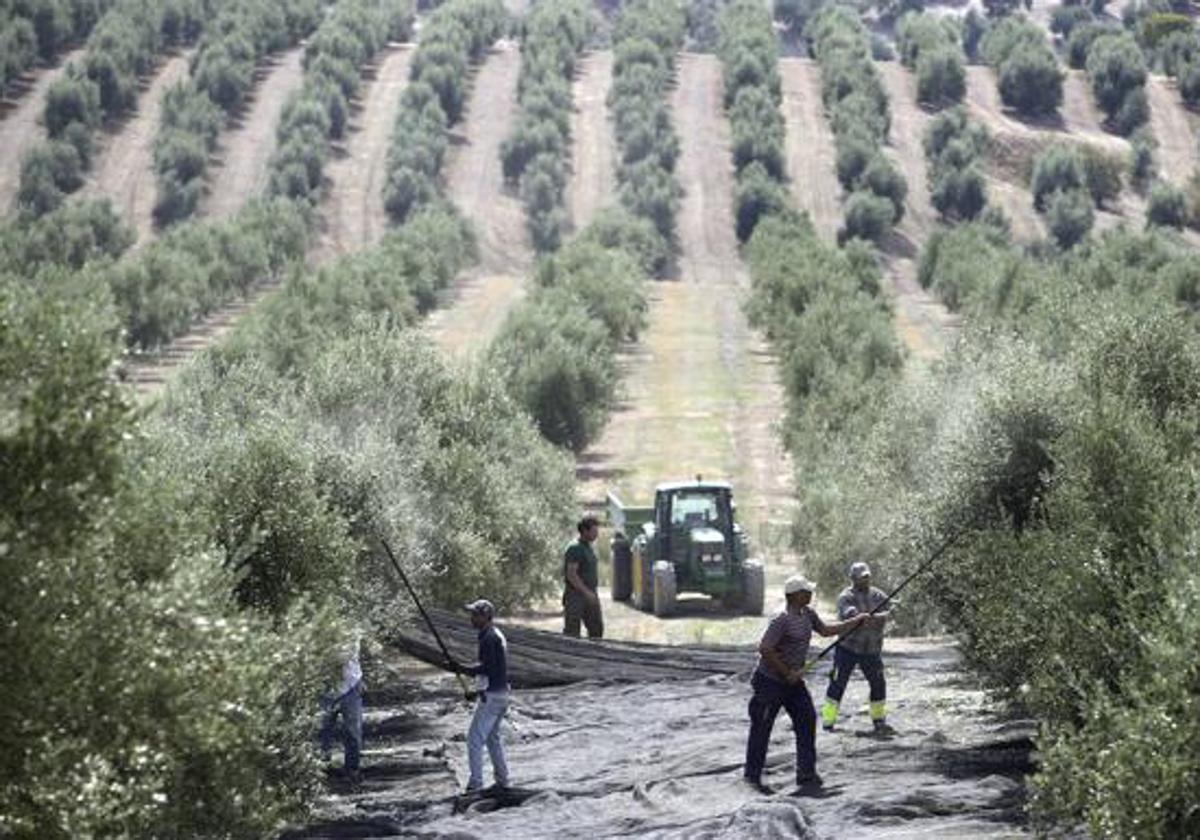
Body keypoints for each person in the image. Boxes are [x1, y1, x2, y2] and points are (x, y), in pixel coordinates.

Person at [743, 574, 866, 794]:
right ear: (795, 595)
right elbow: (765, 649)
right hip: (770, 682)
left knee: (807, 720)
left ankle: (806, 773)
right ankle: (752, 776)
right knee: (762, 728)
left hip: (793, 683)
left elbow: (826, 630)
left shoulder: (808, 614)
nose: (810, 594)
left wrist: (854, 623)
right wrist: (786, 672)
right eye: (806, 592)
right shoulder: (781, 619)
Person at [821, 561, 893, 735]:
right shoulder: (845, 596)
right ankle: (828, 721)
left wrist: (878, 617)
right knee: (837, 684)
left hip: (872, 650)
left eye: (867, 577)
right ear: (853, 578)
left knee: (878, 684)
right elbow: (849, 613)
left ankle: (879, 720)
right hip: (847, 649)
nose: (865, 580)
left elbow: (892, 610)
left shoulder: (878, 595)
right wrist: (860, 617)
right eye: (862, 578)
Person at [454, 599, 511, 793]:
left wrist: (462, 668)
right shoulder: (493, 635)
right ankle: (502, 780)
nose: (471, 618)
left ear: (485, 617)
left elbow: (489, 669)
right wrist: (476, 691)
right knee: (492, 738)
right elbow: (493, 670)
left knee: (474, 739)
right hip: (501, 694)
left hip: (493, 697)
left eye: (475, 615)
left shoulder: (489, 638)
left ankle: (476, 784)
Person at [320, 635, 365, 784]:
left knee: (353, 731)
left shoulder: (352, 625)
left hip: (350, 685)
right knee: (322, 730)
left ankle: (352, 770)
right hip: (325, 687)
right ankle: (321, 770)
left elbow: (344, 655)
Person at [563, 515, 603, 639]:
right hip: (576, 596)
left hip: (590, 593)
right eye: (594, 531)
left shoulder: (587, 547)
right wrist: (586, 593)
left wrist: (591, 594)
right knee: (572, 632)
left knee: (596, 629)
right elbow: (571, 574)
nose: (596, 534)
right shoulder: (575, 548)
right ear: (585, 531)